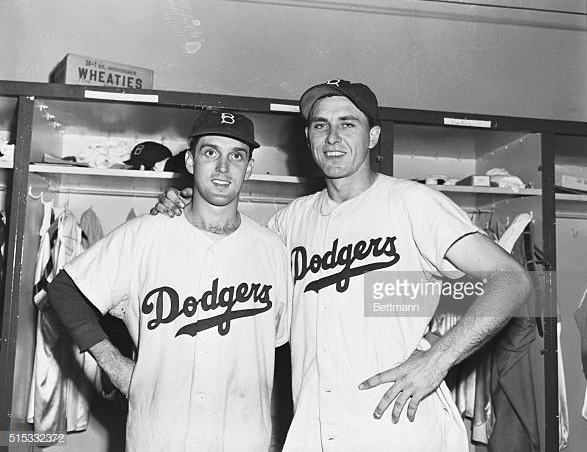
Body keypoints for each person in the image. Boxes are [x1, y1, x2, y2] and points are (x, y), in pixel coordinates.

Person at [152, 80, 532, 451]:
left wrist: (437, 359)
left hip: (398, 426)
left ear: (373, 136)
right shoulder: (289, 222)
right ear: (309, 138)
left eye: (347, 124)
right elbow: (227, 277)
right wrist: (181, 216)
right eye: (321, 125)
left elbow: (512, 280)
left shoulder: (411, 203)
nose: (332, 137)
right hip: (314, 430)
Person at [47, 109, 292, 452]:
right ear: (190, 162)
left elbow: (279, 349)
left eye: (236, 156)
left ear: (249, 167)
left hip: (242, 439)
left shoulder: (273, 250)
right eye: (210, 153)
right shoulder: (146, 234)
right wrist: (114, 365)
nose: (223, 167)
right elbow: (64, 290)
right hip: (160, 437)